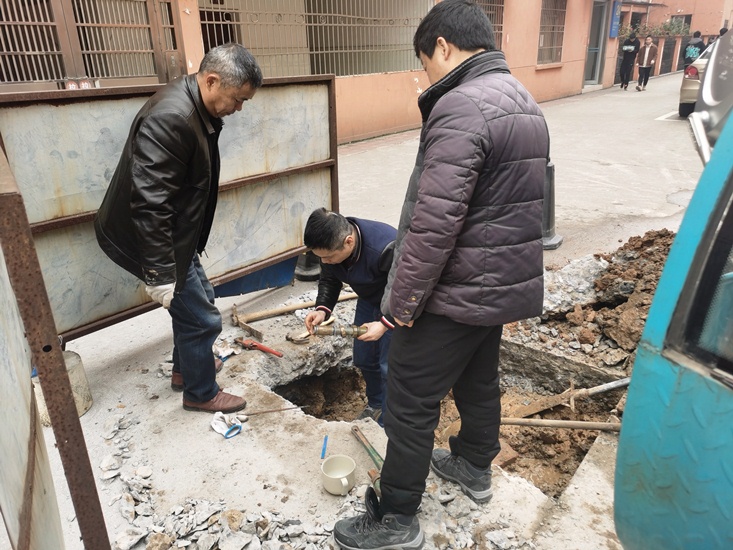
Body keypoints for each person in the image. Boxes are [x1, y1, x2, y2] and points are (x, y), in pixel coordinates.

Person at [332, 1, 547, 548]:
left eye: (424, 62)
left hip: (452, 292)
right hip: (496, 288)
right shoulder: (523, 100)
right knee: (478, 380)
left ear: (444, 47)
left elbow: (432, 225)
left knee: (408, 402)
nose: (425, 75)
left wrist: (398, 307)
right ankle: (474, 466)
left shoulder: (461, 106)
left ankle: (396, 518)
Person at [94, 43, 262, 414]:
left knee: (199, 300)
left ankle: (185, 369)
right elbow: (149, 203)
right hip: (151, 236)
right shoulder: (173, 118)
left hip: (171, 232)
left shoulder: (196, 106)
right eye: (238, 99)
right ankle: (200, 393)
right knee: (202, 319)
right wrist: (160, 273)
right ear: (212, 81)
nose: (239, 109)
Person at [303, 208, 396, 426]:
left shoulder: (386, 248)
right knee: (364, 358)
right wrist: (322, 309)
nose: (325, 262)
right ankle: (376, 405)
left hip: (396, 304)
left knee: (389, 367)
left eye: (329, 257)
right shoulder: (329, 245)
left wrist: (384, 323)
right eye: (320, 257)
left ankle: (390, 420)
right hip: (369, 299)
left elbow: (406, 290)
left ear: (348, 241)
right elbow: (329, 279)